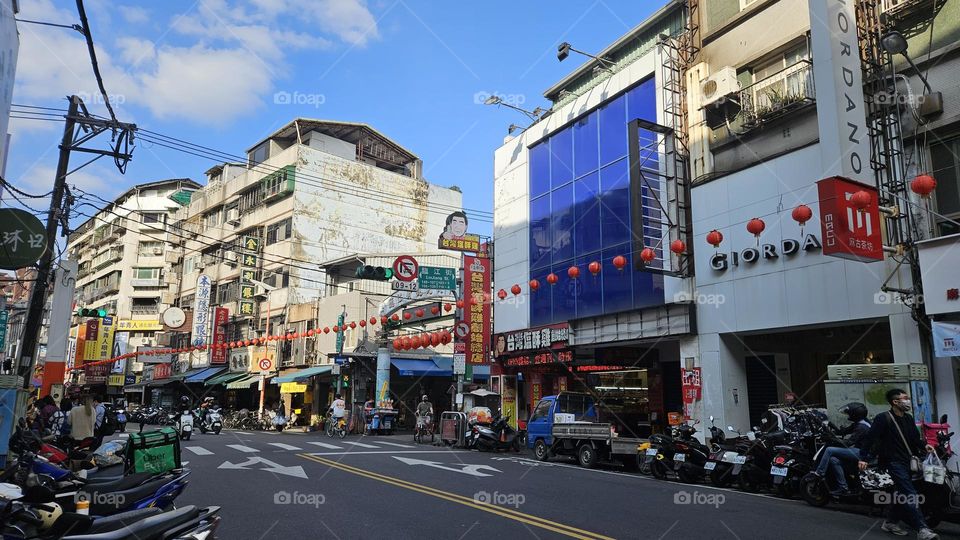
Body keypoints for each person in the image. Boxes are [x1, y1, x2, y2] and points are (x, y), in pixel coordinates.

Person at [858, 389, 939, 540]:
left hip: (908, 461)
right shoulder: (883, 418)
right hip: (893, 462)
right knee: (910, 494)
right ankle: (922, 529)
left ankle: (890, 522)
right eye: (905, 398)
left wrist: (924, 446)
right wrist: (863, 458)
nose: (908, 401)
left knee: (902, 494)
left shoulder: (908, 418)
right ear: (895, 402)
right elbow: (870, 438)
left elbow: (914, 439)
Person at [811, 402, 871, 495]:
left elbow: (848, 443)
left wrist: (832, 439)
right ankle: (843, 487)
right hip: (859, 451)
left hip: (862, 452)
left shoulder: (862, 427)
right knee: (834, 460)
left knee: (829, 450)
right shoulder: (859, 423)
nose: (848, 415)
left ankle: (819, 473)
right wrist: (829, 427)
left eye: (850, 413)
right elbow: (842, 432)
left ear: (855, 414)